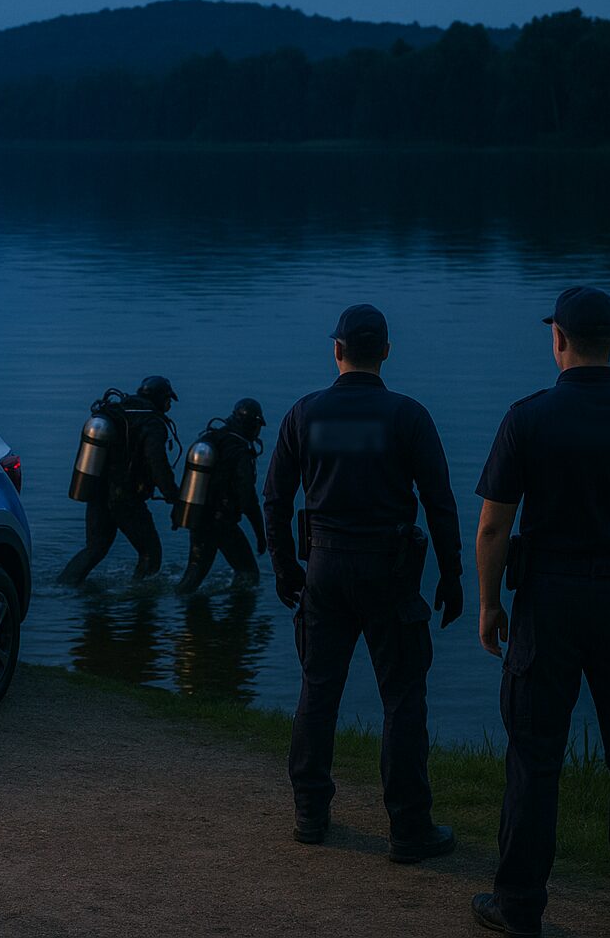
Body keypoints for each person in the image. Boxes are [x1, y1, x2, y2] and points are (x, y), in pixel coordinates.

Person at [470, 286, 610, 938]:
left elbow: (493, 529)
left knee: (534, 758)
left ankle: (518, 907)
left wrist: (490, 603)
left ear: (559, 339)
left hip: (548, 603)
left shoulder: (530, 418)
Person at [262, 303, 464, 860]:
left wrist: (284, 566)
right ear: (387, 353)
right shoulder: (408, 416)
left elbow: (276, 497)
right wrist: (453, 574)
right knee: (402, 698)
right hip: (390, 572)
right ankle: (408, 828)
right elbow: (440, 502)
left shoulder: (305, 414)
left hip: (323, 567)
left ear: (336, 351)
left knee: (318, 689)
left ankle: (310, 813)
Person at [58, 376, 181, 585]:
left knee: (94, 549)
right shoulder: (152, 422)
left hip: (97, 491)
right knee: (151, 554)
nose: (170, 404)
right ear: (159, 398)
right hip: (125, 497)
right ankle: (139, 605)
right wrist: (173, 495)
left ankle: (62, 588)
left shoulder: (118, 411)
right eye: (168, 399)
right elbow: (156, 461)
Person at [176, 398, 269, 595]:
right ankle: (237, 619)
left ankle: (188, 618)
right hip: (221, 523)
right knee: (248, 574)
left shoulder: (215, 438)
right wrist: (261, 534)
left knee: (193, 575)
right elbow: (248, 498)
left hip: (199, 518)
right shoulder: (239, 451)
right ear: (253, 424)